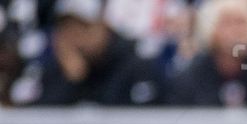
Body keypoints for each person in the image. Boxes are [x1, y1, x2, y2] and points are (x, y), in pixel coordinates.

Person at [24, 0, 165, 106]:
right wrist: (71, 81)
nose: (74, 36)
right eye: (66, 28)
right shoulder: (57, 67)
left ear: (102, 25)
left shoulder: (134, 64)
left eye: (82, 27)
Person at [169, 0, 247, 108]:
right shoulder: (189, 78)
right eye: (226, 23)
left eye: (241, 22)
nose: (235, 31)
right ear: (209, 28)